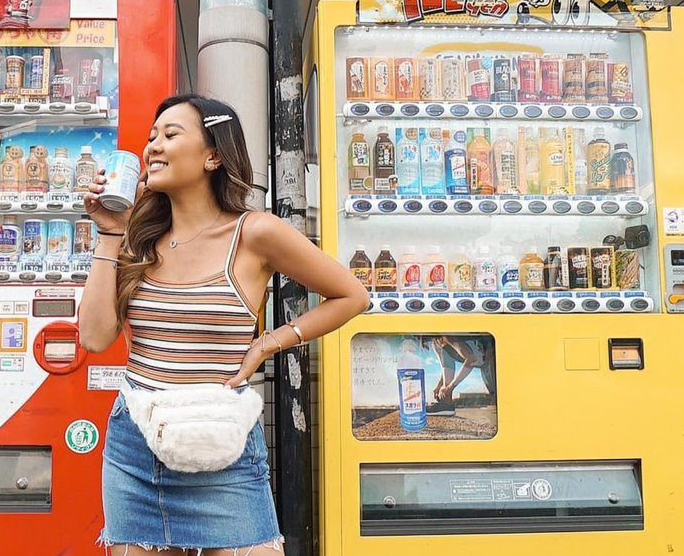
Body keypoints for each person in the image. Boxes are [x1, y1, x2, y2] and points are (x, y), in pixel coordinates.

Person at [78, 94, 369, 556]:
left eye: (171, 135)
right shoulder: (139, 237)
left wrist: (270, 342)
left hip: (223, 443)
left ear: (213, 154)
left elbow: (352, 295)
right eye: (151, 136)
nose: (153, 146)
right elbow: (94, 338)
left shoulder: (255, 232)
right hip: (136, 444)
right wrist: (110, 232)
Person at [422, 335, 497, 416]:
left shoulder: (446, 337)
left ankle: (446, 400)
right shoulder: (436, 343)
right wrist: (439, 386)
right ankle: (446, 403)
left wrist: (450, 387)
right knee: (441, 348)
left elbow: (471, 359)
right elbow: (445, 366)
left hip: (489, 355)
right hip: (480, 357)